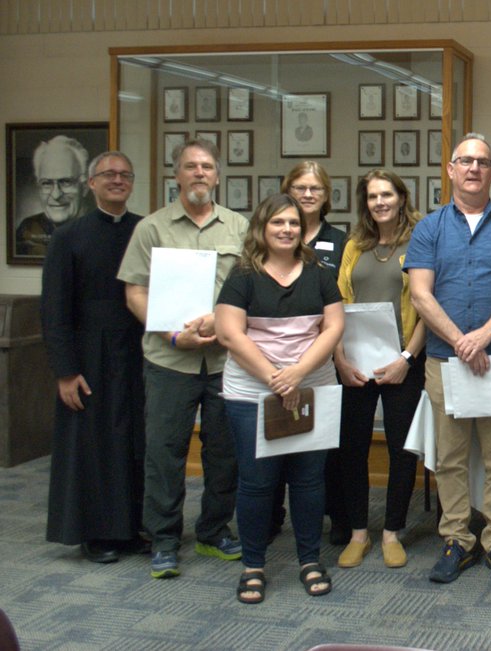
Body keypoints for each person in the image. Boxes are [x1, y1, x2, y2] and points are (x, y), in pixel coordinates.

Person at [405, 134, 491, 584]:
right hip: (445, 361)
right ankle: (456, 540)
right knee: (450, 458)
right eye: (465, 161)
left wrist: (483, 335)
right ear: (451, 169)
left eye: (483, 162)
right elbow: (420, 293)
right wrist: (461, 340)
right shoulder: (429, 227)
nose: (473, 169)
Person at [118, 138, 247, 579]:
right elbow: (135, 291)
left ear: (217, 175)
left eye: (207, 166)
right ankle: (165, 539)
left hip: (225, 362)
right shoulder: (151, 229)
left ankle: (213, 531)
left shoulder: (239, 228)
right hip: (169, 360)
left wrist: (222, 324)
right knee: (165, 451)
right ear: (176, 175)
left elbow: (250, 290)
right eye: (190, 166)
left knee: (225, 452)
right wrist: (174, 333)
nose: (199, 173)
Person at [214, 193, 344, 603]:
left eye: (292, 222)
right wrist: (275, 377)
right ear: (262, 229)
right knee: (256, 484)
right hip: (253, 390)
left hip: (311, 387)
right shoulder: (242, 275)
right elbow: (229, 333)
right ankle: (253, 565)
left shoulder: (319, 272)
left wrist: (298, 374)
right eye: (277, 223)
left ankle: (309, 560)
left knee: (308, 481)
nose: (286, 229)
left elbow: (334, 327)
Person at [43, 151, 145, 563]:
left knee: (133, 442)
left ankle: (131, 528)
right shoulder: (69, 235)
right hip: (89, 355)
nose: (117, 180)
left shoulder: (143, 230)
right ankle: (98, 534)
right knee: (95, 444)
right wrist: (65, 371)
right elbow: (54, 309)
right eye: (109, 174)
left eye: (125, 174)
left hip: (137, 349)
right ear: (92, 183)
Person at [332, 170, 426, 570]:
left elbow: (427, 305)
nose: (380, 202)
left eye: (387, 194)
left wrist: (407, 358)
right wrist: (339, 358)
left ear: (401, 198)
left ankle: (391, 531)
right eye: (372, 196)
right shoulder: (355, 244)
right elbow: (335, 303)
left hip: (402, 361)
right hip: (355, 363)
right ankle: (358, 532)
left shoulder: (420, 240)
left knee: (401, 448)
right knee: (351, 448)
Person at [274, 162, 349, 543]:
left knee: (325, 441)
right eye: (300, 187)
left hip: (324, 355)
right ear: (288, 190)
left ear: (326, 195)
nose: (307, 194)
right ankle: (272, 515)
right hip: (275, 355)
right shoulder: (274, 236)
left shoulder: (340, 241)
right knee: (273, 440)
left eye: (315, 188)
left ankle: (335, 515)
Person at [16, 135, 90, 256]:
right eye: (46, 183)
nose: (56, 195)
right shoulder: (27, 229)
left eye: (66, 182)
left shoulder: (99, 230)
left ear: (85, 187)